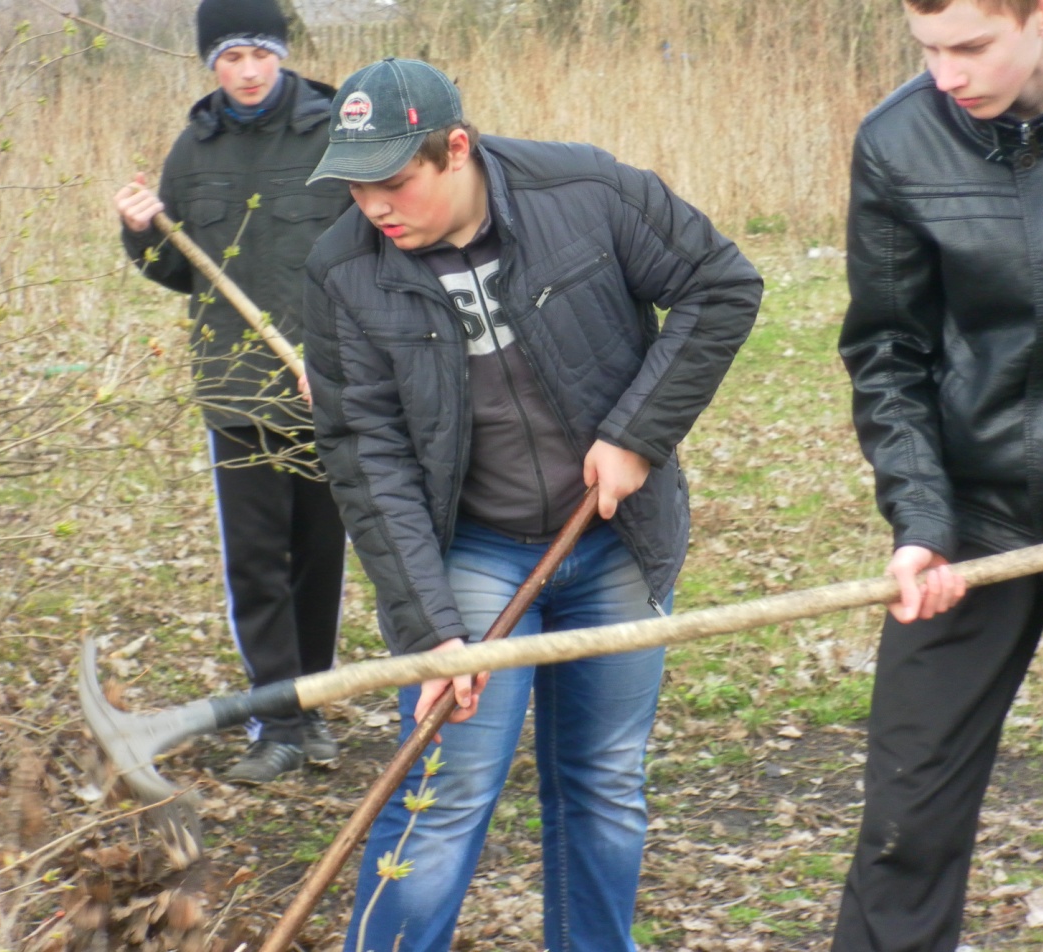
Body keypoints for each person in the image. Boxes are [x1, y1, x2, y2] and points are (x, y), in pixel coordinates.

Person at [301, 57, 762, 952]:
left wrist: (634, 435)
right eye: (356, 189)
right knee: (445, 789)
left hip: (615, 538)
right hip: (470, 553)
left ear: (456, 149)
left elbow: (721, 285)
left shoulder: (584, 192)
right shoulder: (342, 272)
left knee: (602, 780)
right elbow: (366, 455)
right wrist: (432, 629)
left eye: (394, 183)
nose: (375, 209)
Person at [832, 1, 1043, 949]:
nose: (945, 74)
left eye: (970, 46)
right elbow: (887, 351)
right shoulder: (897, 140)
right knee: (908, 809)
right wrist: (919, 519)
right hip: (973, 524)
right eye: (926, 48)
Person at [113, 0, 352, 785]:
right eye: (229, 57)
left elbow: (381, 246)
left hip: (326, 386)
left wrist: (349, 356)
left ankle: (307, 707)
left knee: (319, 556)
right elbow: (175, 274)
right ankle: (276, 722)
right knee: (256, 562)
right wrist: (143, 231)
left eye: (258, 53)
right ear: (209, 63)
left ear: (280, 53)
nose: (246, 71)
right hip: (235, 389)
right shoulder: (193, 151)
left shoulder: (333, 134)